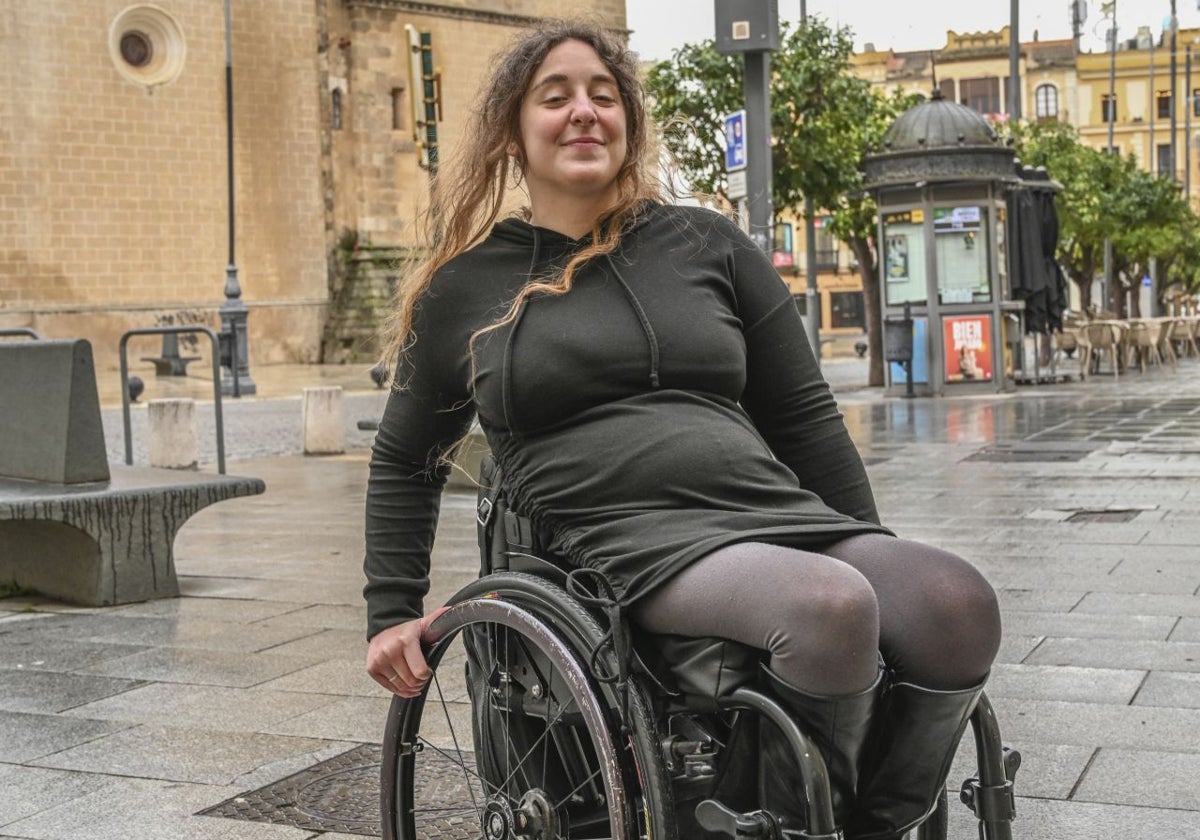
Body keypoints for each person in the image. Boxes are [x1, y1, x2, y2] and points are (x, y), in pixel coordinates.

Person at [363, 20, 1001, 840]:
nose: (584, 112)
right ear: (515, 134)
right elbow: (405, 456)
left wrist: (863, 541)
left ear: (629, 122)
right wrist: (390, 610)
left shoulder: (707, 243)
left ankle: (864, 825)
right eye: (555, 98)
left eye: (604, 95)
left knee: (954, 602)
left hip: (763, 510)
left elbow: (803, 417)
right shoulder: (468, 285)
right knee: (829, 607)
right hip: (618, 540)